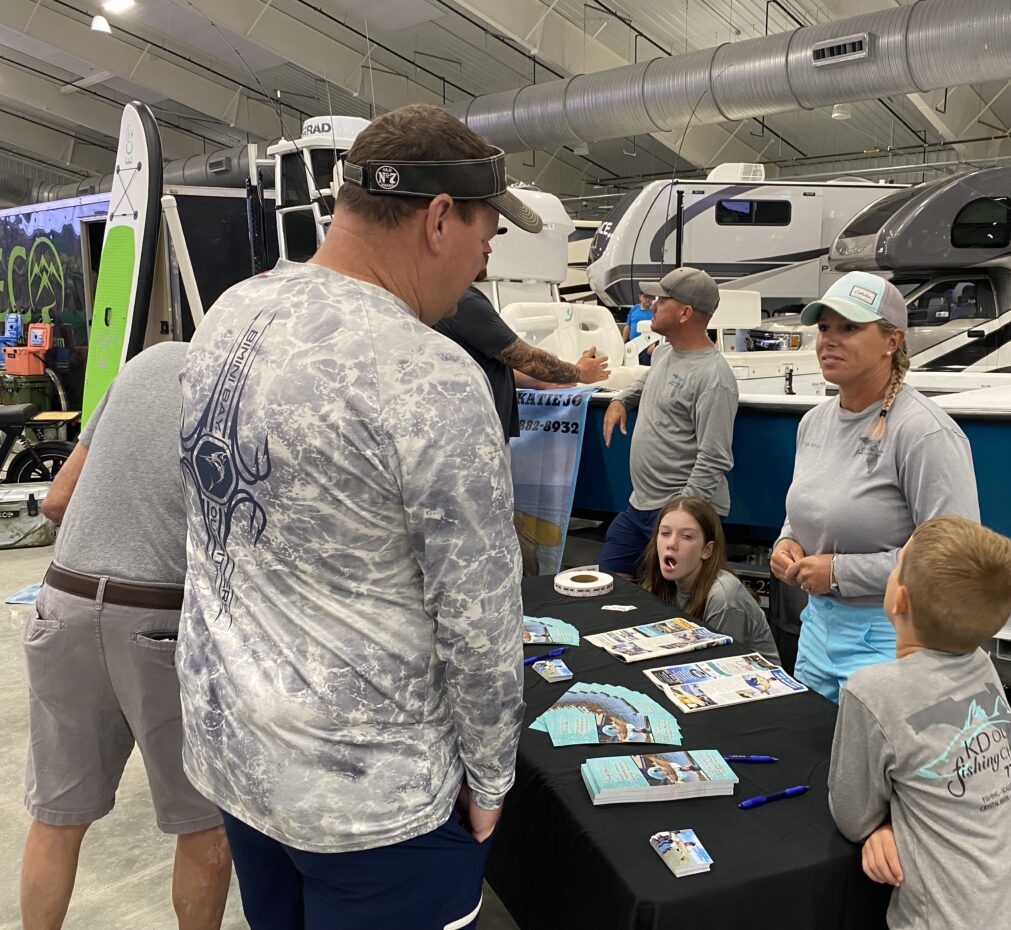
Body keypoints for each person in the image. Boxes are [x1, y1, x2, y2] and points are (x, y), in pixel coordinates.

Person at [177, 104, 531, 930]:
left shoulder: (229, 316)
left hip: (239, 756)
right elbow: (479, 615)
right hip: (373, 797)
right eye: (486, 239)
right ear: (438, 219)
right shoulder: (429, 373)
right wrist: (491, 778)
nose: (481, 265)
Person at [21, 341, 231, 930]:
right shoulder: (250, 383)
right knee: (204, 823)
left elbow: (58, 500)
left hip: (61, 604)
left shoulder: (146, 364)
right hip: (161, 615)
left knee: (57, 816)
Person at [828, 516, 1011, 930]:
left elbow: (852, 817)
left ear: (899, 600)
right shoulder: (983, 665)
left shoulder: (871, 692)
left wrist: (881, 827)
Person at [769, 270, 979, 702]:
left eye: (849, 328)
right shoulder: (813, 423)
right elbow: (808, 507)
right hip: (816, 633)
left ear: (892, 340)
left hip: (893, 642)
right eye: (824, 327)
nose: (829, 340)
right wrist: (787, 541)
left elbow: (954, 561)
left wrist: (839, 573)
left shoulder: (924, 432)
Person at [600, 268, 738, 578]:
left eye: (662, 300)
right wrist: (621, 400)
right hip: (641, 506)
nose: (652, 305)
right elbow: (649, 380)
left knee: (671, 600)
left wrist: (679, 517)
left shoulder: (714, 378)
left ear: (685, 313)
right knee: (608, 582)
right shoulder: (664, 352)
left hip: (680, 511)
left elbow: (715, 458)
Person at [434, 273, 610, 442]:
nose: (487, 255)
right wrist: (579, 372)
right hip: (475, 435)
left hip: (466, 430)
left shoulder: (448, 297)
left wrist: (538, 381)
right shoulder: (463, 300)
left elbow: (492, 363)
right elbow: (526, 358)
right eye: (482, 250)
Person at [640, 496, 779, 664]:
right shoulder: (663, 582)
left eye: (686, 536)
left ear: (707, 550)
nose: (671, 543)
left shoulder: (723, 597)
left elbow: (721, 667)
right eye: (665, 533)